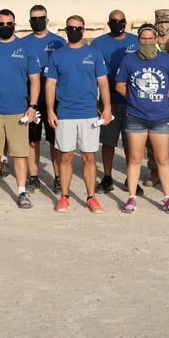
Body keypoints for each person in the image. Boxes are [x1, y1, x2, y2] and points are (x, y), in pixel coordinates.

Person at [45, 16, 112, 213]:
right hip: (65, 113)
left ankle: (91, 197)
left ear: (84, 30)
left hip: (89, 114)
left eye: (78, 28)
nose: (74, 30)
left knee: (89, 157)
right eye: (71, 28)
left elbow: (103, 82)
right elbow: (50, 84)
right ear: (66, 30)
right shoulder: (57, 55)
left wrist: (107, 108)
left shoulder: (94, 54)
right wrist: (50, 110)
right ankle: (64, 197)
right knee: (65, 156)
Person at [0, 9, 41, 209]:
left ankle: (22, 192)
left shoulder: (26, 48)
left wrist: (32, 107)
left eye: (8, 24)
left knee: (20, 154)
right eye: (1, 24)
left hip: (19, 111)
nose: (5, 27)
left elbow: (35, 79)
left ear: (15, 24)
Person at [116, 25, 169, 214]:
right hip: (136, 117)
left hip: (160, 117)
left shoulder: (167, 60)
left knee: (162, 159)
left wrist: (161, 97)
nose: (146, 42)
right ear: (138, 41)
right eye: (142, 39)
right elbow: (120, 85)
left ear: (157, 39)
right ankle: (132, 196)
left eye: (150, 39)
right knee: (135, 158)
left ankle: (168, 197)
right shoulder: (129, 60)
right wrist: (135, 98)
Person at [91, 9, 139, 195]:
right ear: (109, 22)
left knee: (130, 142)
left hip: (131, 100)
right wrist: (96, 100)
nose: (117, 24)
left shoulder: (135, 41)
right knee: (108, 142)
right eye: (113, 21)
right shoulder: (99, 43)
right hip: (107, 99)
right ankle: (108, 177)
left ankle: (130, 178)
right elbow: (92, 73)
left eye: (120, 21)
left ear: (125, 23)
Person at [21, 4, 66, 194]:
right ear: (30, 21)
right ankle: (33, 177)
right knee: (32, 140)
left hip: (54, 100)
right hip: (31, 99)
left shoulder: (59, 42)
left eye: (41, 18)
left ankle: (57, 178)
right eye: (34, 18)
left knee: (55, 140)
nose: (38, 21)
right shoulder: (23, 43)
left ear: (47, 20)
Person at [144, 8, 169, 187]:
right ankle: (155, 172)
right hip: (152, 99)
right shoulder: (148, 47)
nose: (163, 27)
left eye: (166, 23)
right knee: (152, 137)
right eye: (160, 23)